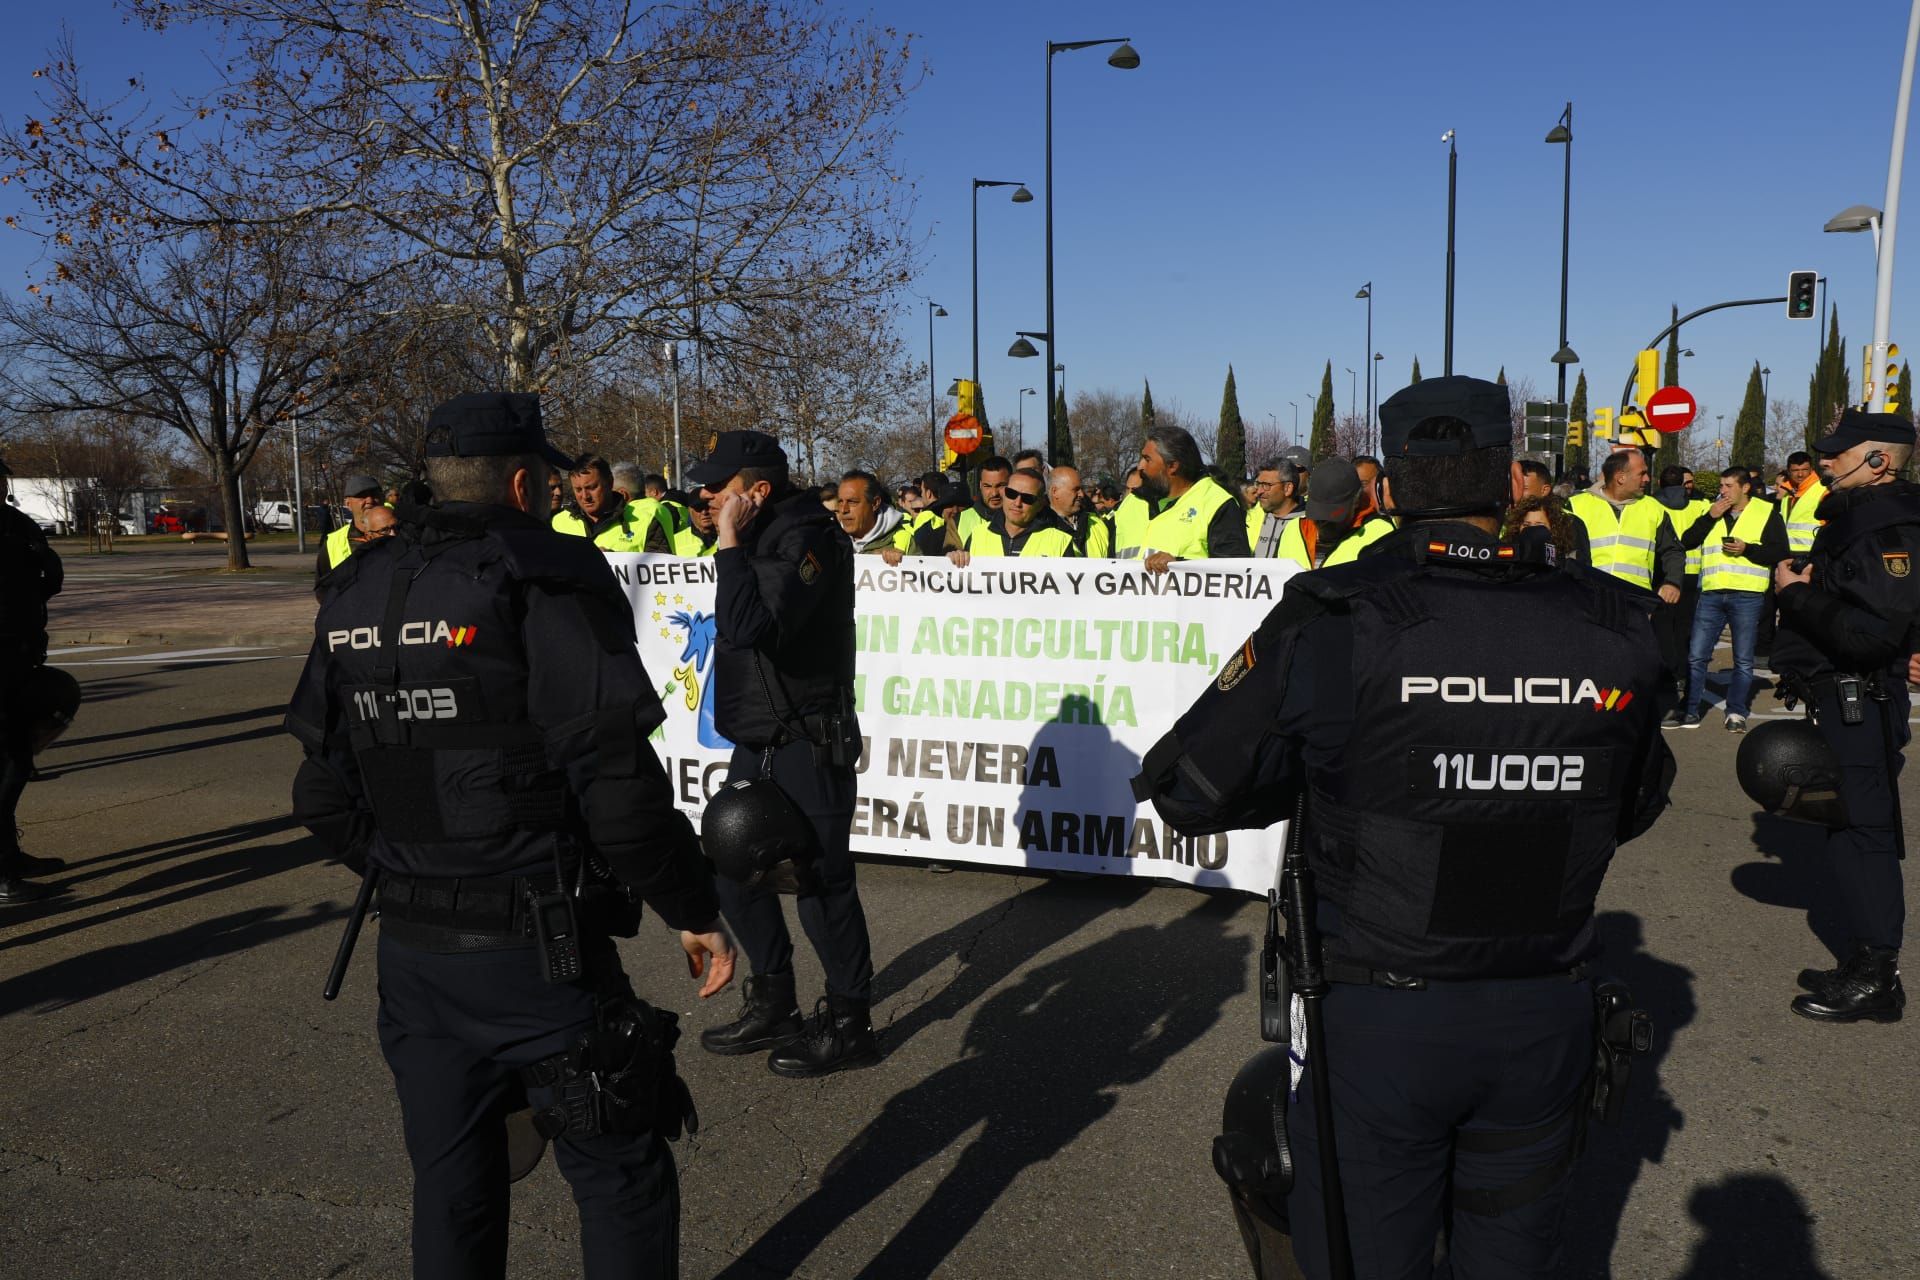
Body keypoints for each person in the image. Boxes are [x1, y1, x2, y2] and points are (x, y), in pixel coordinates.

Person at [1133, 375, 1673, 1280]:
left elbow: (1187, 790)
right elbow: (1635, 804)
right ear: (1510, 481)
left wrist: (1316, 765)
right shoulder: (1611, 620)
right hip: (1547, 1010)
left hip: (1385, 1015)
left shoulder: (1334, 614)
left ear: (1388, 490)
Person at [285, 392, 735, 1276]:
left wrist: (408, 862)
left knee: (453, 1182)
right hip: (540, 949)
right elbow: (614, 781)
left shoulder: (357, 584)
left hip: (413, 949)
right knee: (619, 1169)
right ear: (525, 481)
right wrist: (692, 906)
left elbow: (320, 793)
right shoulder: (545, 572)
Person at [690, 430, 878, 1076]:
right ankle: (776, 1001)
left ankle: (851, 1022)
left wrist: (729, 543)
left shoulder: (809, 539)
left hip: (809, 741)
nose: (706, 495)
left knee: (820, 886)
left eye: (720, 486)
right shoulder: (761, 533)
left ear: (758, 492)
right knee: (731, 862)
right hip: (760, 739)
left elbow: (748, 626)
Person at [1771, 410, 1920, 1022]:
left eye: (1839, 452)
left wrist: (1795, 594)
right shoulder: (1866, 519)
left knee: (1865, 835)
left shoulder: (1884, 524)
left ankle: (1877, 976)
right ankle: (1864, 961)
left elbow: (1871, 633)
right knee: (1847, 831)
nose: (1824, 462)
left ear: (1879, 461)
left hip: (1861, 698)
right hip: (1847, 698)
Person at [0, 458, 68, 903]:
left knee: (16, 760)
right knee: (9, 766)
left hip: (17, 657)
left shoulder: (15, 523)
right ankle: (3, 876)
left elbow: (51, 575)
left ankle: (11, 858)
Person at [1674, 467, 1788, 732]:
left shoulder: (1765, 512)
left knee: (1744, 660)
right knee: (1697, 656)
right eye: (1721, 485)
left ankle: (1736, 711)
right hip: (1712, 593)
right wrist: (1709, 517)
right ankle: (1690, 709)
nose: (1722, 490)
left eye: (1728, 485)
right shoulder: (1713, 512)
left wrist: (1747, 549)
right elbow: (1687, 541)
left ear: (1745, 487)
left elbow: (1779, 551)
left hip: (1747, 595)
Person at [1568, 448, 1683, 600]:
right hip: (1589, 597)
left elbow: (1673, 551)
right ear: (1621, 478)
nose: (1647, 479)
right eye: (1641, 473)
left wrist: (1672, 582)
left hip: (1636, 599)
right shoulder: (1576, 505)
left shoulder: (1653, 508)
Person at [1137, 426, 1249, 571]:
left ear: (1172, 466)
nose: (1140, 466)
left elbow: (1234, 572)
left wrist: (1178, 566)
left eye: (1147, 459)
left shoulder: (1217, 503)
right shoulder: (1138, 500)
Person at [1651, 465, 1711, 706]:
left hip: (1662, 576)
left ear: (1659, 482)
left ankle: (1668, 676)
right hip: (1692, 577)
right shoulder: (1701, 506)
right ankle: (1682, 676)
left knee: (1663, 632)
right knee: (1684, 632)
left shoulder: (1650, 505)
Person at [1273, 457, 1394, 571]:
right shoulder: (1293, 530)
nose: (1323, 521)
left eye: (1332, 515)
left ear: (1356, 501)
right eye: (1317, 512)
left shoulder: (1380, 534)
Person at [950, 466, 1079, 562]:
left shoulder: (1060, 541)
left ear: (1040, 504)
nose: (1017, 503)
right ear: (1004, 494)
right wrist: (952, 561)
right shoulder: (978, 535)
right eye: (1012, 494)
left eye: (1027, 498)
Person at [553, 456, 674, 552]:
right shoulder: (558, 523)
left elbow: (659, 571)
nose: (585, 496)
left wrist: (615, 560)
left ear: (610, 482)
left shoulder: (646, 518)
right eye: (578, 490)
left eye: (592, 487)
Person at [318, 474, 387, 584]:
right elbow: (323, 590)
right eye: (362, 496)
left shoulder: (401, 534)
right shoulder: (333, 543)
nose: (369, 500)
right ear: (348, 504)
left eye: (375, 494)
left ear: (383, 499)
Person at [836, 469, 913, 561]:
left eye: (852, 502)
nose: (844, 510)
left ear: (875, 503)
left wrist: (903, 563)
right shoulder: (828, 542)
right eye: (840, 502)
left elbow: (923, 569)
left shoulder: (903, 540)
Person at [1048, 464, 1112, 557]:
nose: (1081, 494)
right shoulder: (1039, 529)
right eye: (1076, 489)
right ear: (1055, 492)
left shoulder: (1097, 524)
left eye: (1081, 489)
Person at [1245, 459, 1304, 558]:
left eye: (1266, 485)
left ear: (1288, 488)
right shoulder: (1249, 517)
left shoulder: (1308, 522)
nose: (1259, 491)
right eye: (1258, 484)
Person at [956, 456, 1012, 547]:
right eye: (988, 486)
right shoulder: (958, 521)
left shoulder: (1024, 520)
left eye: (1000, 485)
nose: (994, 493)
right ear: (980, 485)